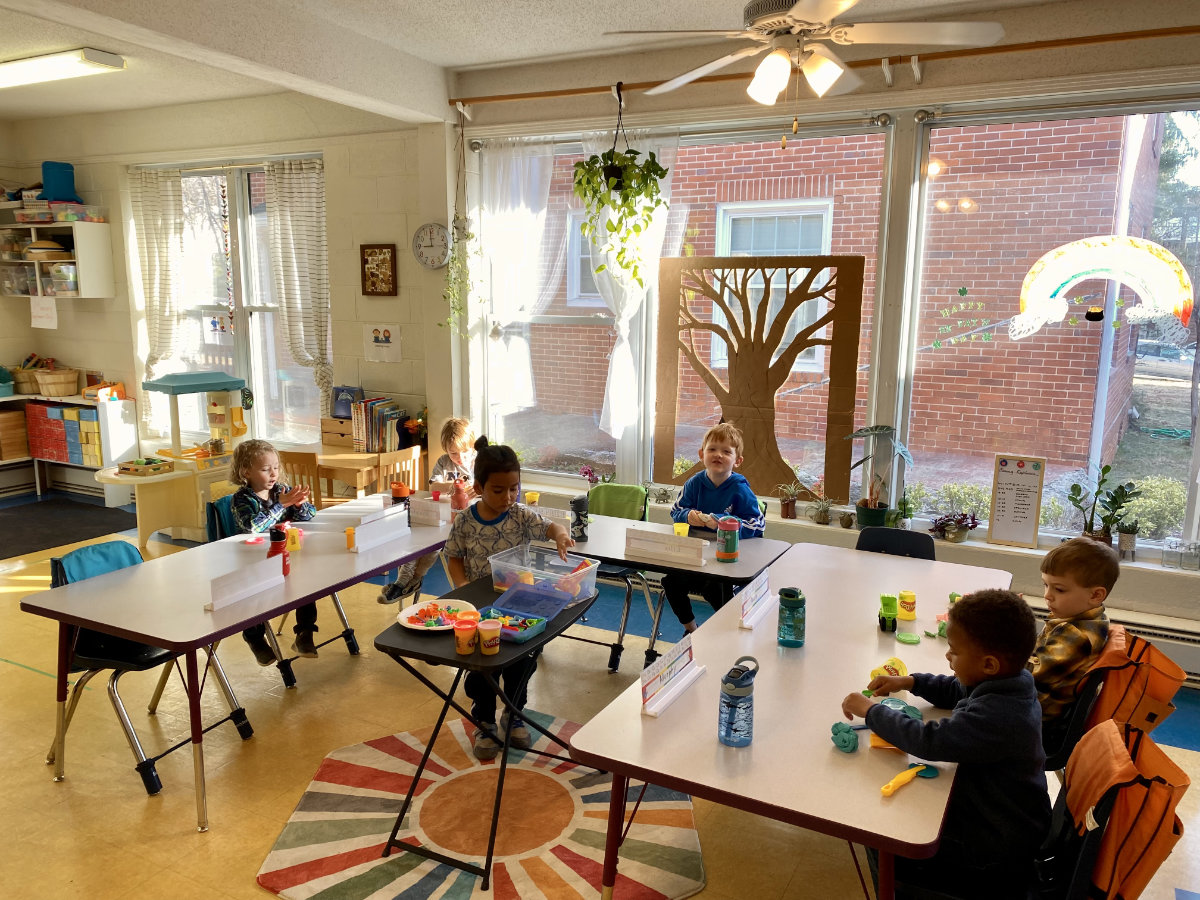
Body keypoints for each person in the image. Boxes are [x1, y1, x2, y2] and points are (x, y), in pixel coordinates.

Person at [841, 589, 1050, 899]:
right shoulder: (1007, 683)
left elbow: (931, 742)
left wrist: (871, 712)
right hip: (1001, 816)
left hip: (995, 847)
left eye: (954, 652)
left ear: (989, 665)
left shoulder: (1000, 714)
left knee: (880, 835)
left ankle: (896, 888)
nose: (948, 657)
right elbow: (958, 688)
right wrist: (910, 681)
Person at [443, 437, 574, 760]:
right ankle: (485, 721)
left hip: (518, 606)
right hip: (480, 609)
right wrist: (461, 588)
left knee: (520, 665)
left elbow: (551, 526)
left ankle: (514, 713)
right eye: (498, 490)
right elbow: (454, 556)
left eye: (514, 488)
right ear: (478, 487)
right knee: (482, 670)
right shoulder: (465, 521)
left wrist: (560, 535)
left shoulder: (520, 516)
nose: (508, 497)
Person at [664, 421, 765, 632]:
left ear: (737, 461)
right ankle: (692, 630)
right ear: (702, 454)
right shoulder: (694, 483)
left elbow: (757, 524)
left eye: (726, 451)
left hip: (727, 561)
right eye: (712, 449)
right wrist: (687, 516)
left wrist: (721, 521)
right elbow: (676, 511)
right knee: (671, 583)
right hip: (696, 557)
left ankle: (729, 632)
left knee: (716, 588)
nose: (718, 455)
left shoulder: (739, 488)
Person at [229, 439, 319, 663]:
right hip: (254, 560)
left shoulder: (281, 490)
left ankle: (305, 632)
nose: (273, 474)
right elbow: (252, 526)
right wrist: (282, 505)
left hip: (286, 555)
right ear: (245, 472)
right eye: (265, 469)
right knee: (255, 594)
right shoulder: (242, 499)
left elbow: (310, 515)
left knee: (307, 584)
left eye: (276, 467)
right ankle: (255, 637)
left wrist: (299, 505)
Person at [377, 417, 479, 604]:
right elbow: (433, 487)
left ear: (472, 447)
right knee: (422, 541)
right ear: (446, 450)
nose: (460, 458)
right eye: (453, 453)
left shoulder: (478, 462)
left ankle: (409, 581)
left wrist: (477, 487)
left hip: (469, 521)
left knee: (433, 548)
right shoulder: (443, 462)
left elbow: (488, 488)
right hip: (444, 517)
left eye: (464, 452)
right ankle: (404, 582)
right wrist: (452, 485)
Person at [1030, 536, 1115, 748]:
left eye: (1059, 589)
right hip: (1035, 712)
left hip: (1037, 724)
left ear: (1095, 595)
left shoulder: (1077, 635)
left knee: (966, 687)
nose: (1047, 596)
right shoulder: (1090, 620)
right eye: (1046, 585)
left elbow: (1028, 676)